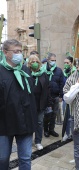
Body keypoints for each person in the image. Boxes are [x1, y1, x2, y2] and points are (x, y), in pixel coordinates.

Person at [0, 39, 37, 170]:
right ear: (5, 52)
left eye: (21, 51)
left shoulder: (25, 70)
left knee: (26, 158)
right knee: (2, 158)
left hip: (25, 121)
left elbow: (31, 94)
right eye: (16, 51)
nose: (19, 54)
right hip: (4, 123)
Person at [27, 55, 51, 150]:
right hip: (29, 103)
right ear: (29, 63)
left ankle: (38, 141)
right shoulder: (26, 73)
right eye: (32, 61)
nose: (35, 63)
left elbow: (47, 88)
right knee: (29, 122)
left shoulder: (43, 74)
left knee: (39, 122)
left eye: (36, 61)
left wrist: (49, 103)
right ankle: (27, 141)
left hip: (41, 103)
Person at [43, 52, 64, 137]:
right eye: (52, 60)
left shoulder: (59, 70)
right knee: (47, 114)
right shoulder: (43, 69)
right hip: (46, 97)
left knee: (54, 114)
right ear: (48, 60)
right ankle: (46, 130)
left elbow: (62, 83)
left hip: (55, 96)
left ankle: (52, 129)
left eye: (55, 60)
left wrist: (61, 95)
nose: (53, 62)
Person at [62, 56, 76, 141]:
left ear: (71, 63)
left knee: (73, 116)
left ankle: (73, 132)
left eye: (67, 63)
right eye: (65, 63)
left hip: (73, 97)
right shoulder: (64, 72)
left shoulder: (75, 72)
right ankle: (67, 133)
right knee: (66, 116)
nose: (66, 64)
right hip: (65, 97)